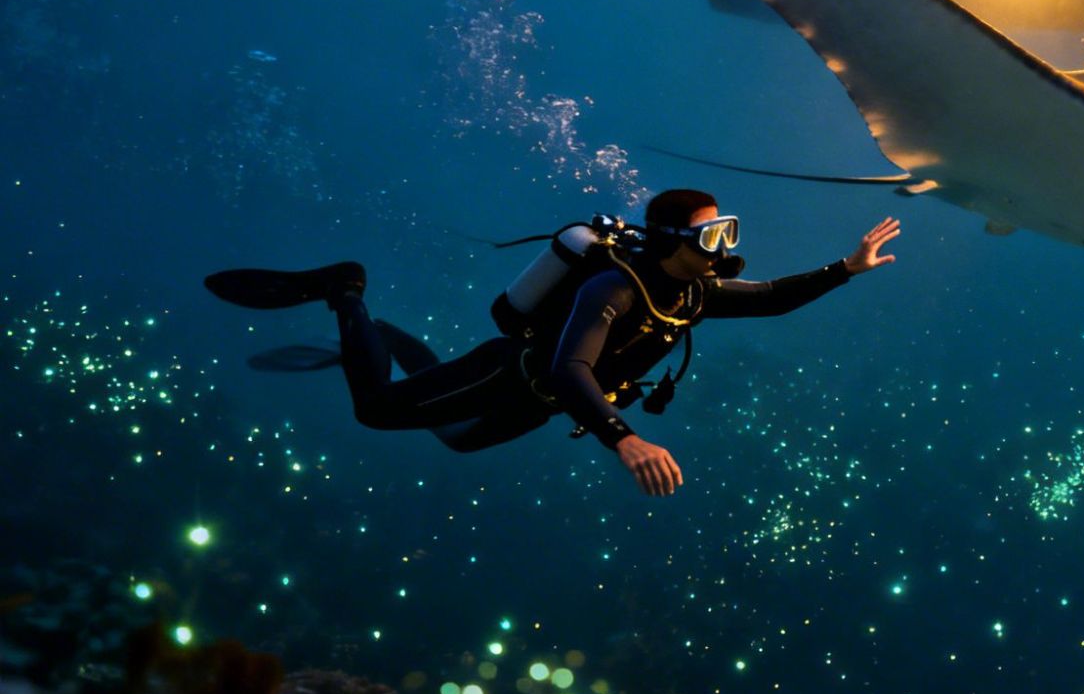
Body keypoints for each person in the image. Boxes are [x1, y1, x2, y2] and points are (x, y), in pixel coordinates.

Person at [205, 190, 899, 496]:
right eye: (713, 234)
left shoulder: (693, 293)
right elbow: (572, 369)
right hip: (511, 376)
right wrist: (623, 438)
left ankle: (385, 335)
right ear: (672, 242)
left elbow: (775, 297)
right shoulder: (614, 290)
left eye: (729, 232)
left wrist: (847, 267)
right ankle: (347, 290)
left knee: (454, 437)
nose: (725, 247)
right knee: (376, 408)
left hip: (534, 405)